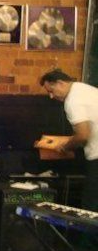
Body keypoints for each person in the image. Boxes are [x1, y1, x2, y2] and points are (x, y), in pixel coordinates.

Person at [40, 68, 98, 211]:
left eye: (51, 91)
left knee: (90, 207)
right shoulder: (85, 89)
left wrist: (66, 147)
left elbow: (83, 135)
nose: (51, 96)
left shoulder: (72, 101)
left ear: (60, 83)